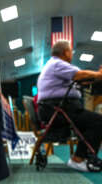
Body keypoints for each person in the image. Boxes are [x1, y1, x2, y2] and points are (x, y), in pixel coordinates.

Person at [37, 40, 102, 172]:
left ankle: (85, 156)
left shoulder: (54, 65)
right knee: (98, 121)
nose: (71, 54)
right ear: (66, 52)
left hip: (58, 108)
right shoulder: (57, 63)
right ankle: (78, 159)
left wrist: (95, 77)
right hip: (57, 109)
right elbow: (79, 74)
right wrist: (99, 75)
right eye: (70, 51)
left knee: (91, 121)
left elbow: (79, 78)